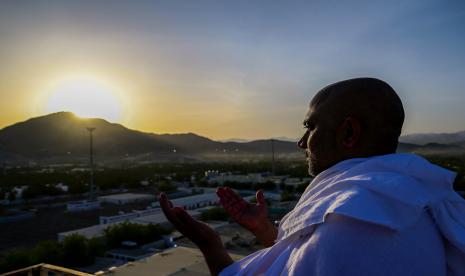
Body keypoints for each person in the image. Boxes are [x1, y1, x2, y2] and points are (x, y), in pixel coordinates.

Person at [159, 78, 465, 275]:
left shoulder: (355, 223)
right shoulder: (413, 201)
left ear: (348, 132)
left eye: (310, 126)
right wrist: (268, 233)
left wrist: (209, 242)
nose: (302, 142)